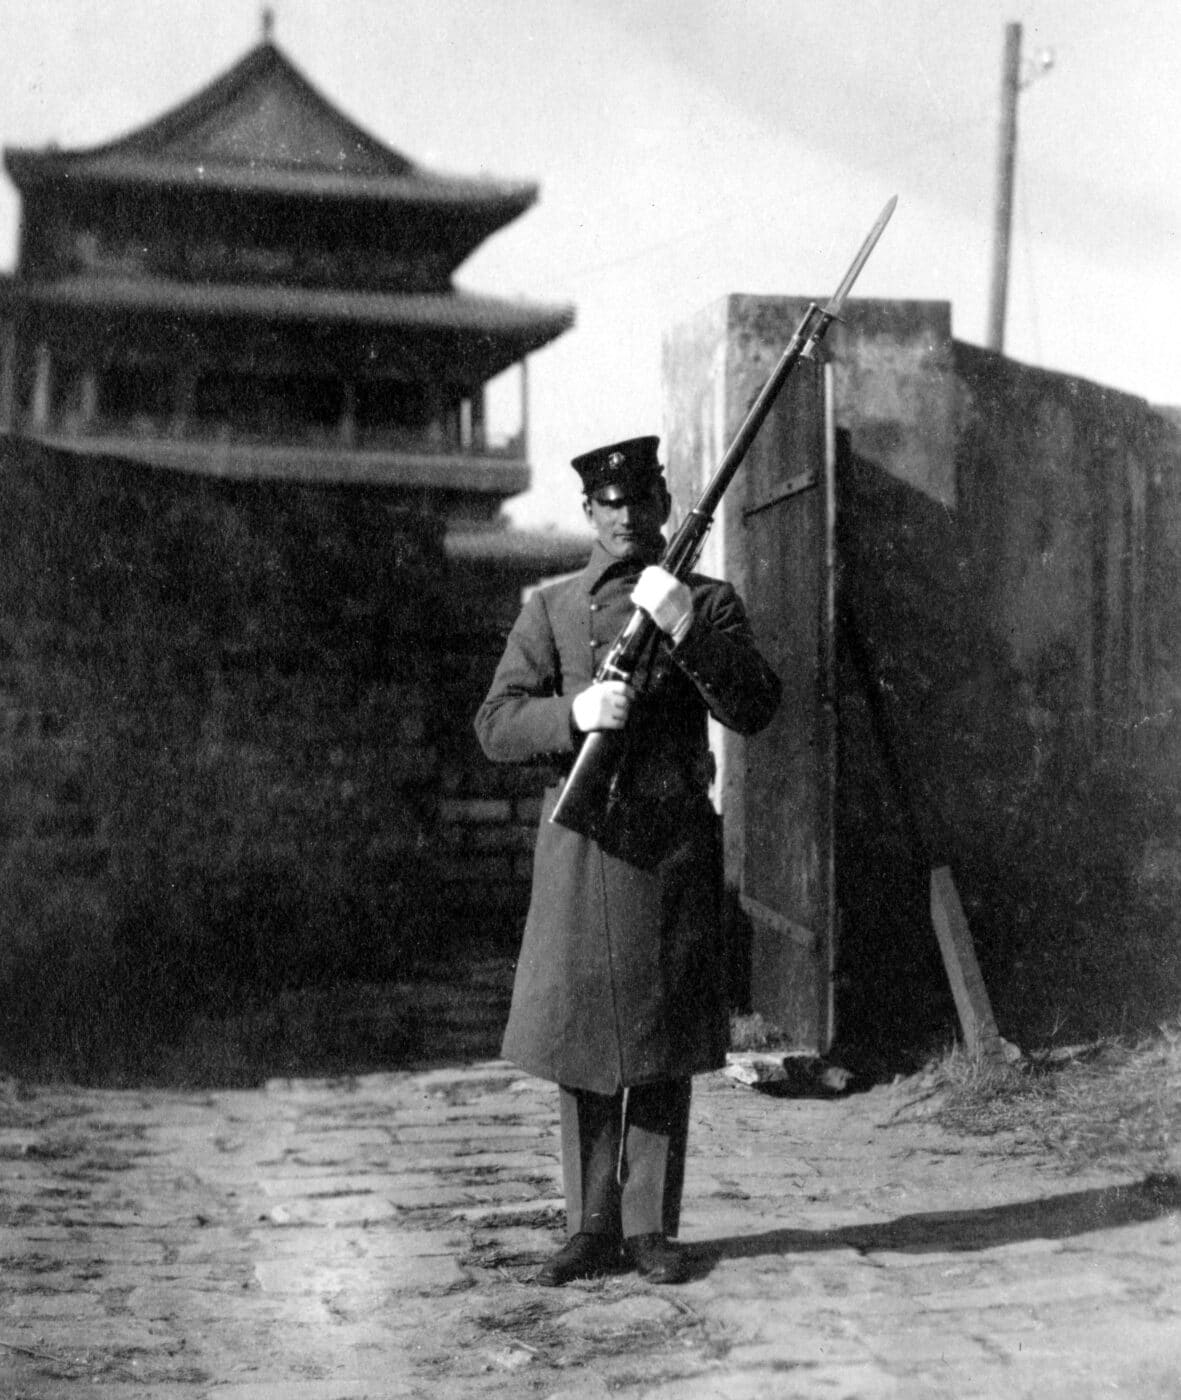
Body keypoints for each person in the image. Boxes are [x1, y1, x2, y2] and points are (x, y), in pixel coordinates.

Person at [474, 435, 780, 1286]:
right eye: (608, 506)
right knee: (580, 1039)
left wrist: (683, 625)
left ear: (660, 503)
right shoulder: (553, 610)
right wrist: (572, 711)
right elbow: (496, 723)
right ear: (589, 515)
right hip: (583, 848)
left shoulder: (708, 602)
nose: (624, 517)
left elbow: (755, 705)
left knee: (661, 1037)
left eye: (639, 501)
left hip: (669, 843)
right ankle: (587, 1227)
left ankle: (649, 1228)